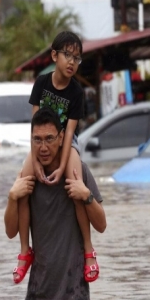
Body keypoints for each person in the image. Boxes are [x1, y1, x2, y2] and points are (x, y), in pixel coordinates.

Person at [14, 31, 100, 285]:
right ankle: (23, 252)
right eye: (67, 55)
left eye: (77, 58)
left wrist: (62, 165)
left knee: (75, 183)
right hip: (40, 139)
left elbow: (71, 130)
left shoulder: (76, 91)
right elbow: (35, 125)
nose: (72, 62)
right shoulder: (41, 83)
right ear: (54, 56)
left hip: (67, 142)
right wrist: (35, 160)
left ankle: (88, 250)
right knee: (23, 183)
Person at [4, 107, 107, 300]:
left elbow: (101, 225)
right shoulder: (28, 178)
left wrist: (86, 196)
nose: (43, 147)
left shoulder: (78, 172)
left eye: (49, 139)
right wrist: (12, 198)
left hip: (73, 293)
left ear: (61, 138)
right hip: (38, 293)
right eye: (37, 140)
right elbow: (10, 231)